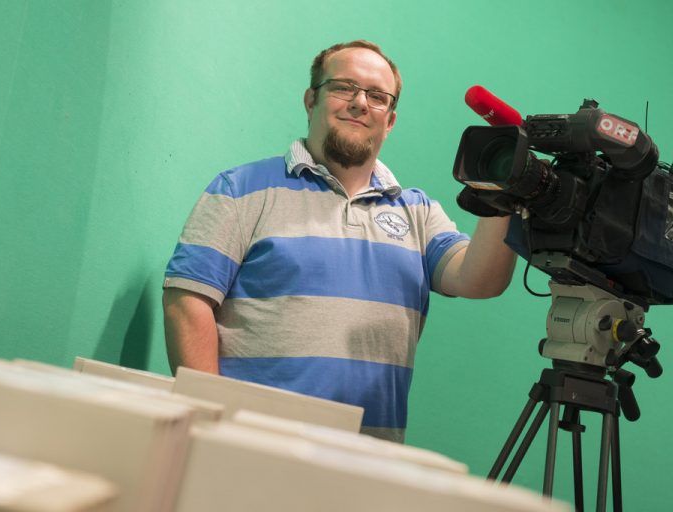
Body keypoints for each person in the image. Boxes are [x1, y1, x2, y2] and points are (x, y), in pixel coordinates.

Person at [163, 40, 516, 442]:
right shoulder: (239, 189)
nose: (360, 103)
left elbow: (479, 280)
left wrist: (503, 190)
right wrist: (211, 423)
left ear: (391, 120)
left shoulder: (418, 212)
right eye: (344, 87)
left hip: (368, 458)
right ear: (311, 99)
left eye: (377, 96)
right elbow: (186, 302)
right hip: (250, 446)